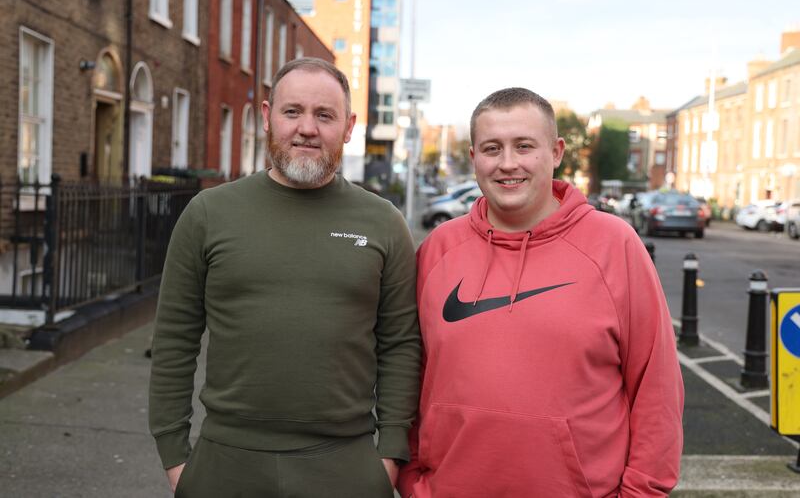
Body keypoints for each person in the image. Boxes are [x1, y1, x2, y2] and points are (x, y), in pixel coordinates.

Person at [149, 58, 420, 497]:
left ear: (349, 127)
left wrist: (389, 454)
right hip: (224, 462)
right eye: (292, 111)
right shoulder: (208, 214)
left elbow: (401, 343)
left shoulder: (384, 222)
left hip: (346, 465)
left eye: (324, 115)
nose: (307, 128)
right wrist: (175, 457)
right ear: (266, 117)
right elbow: (174, 339)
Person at [398, 88, 684, 497]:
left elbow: (656, 390)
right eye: (492, 148)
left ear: (556, 152)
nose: (508, 163)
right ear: (474, 156)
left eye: (524, 146)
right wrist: (413, 482)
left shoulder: (613, 244)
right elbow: (408, 375)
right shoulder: (438, 250)